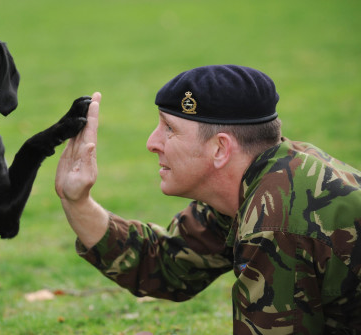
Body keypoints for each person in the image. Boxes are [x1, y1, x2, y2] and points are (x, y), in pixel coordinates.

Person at [55, 65, 361, 334]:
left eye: (170, 129)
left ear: (220, 150)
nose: (152, 143)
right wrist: (78, 201)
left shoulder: (277, 218)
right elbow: (166, 265)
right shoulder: (265, 177)